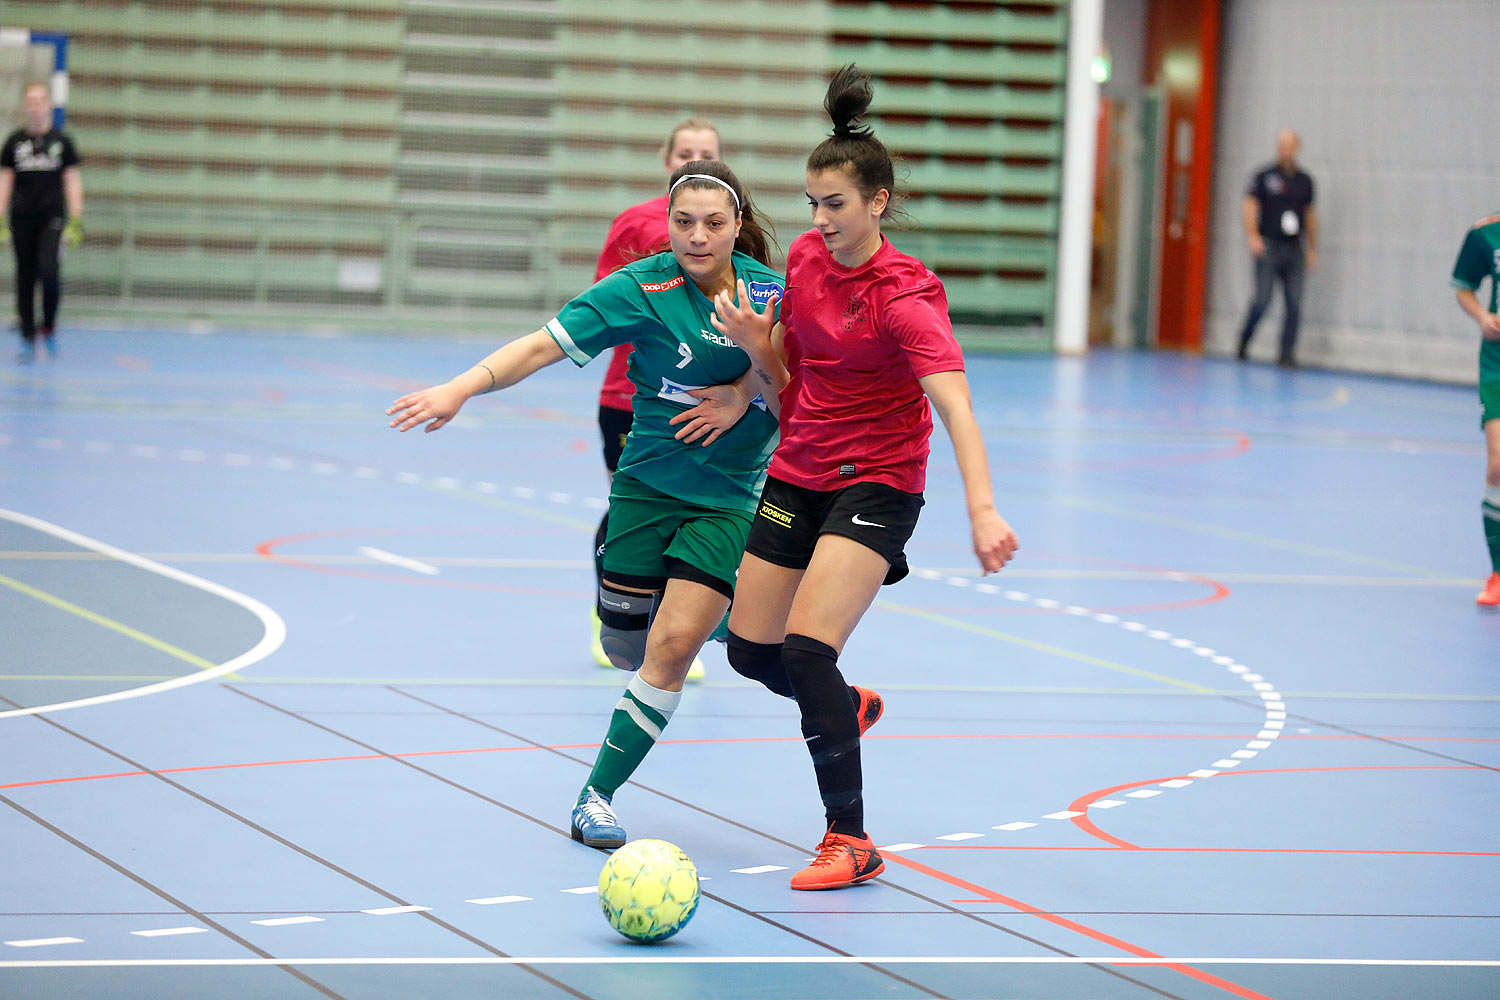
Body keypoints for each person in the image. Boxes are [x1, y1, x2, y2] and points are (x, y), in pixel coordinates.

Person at [387, 159, 785, 849]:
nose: (698, 236)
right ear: (666, 224)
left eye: (713, 223)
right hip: (644, 489)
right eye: (684, 222)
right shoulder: (642, 286)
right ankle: (724, 624)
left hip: (726, 497)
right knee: (624, 643)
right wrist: (461, 387)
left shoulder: (770, 295)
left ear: (738, 226)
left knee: (670, 648)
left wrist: (747, 390)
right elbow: (541, 346)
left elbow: (799, 398)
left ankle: (594, 796)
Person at [710, 65, 1019, 891]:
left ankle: (850, 839)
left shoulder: (905, 296)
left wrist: (982, 511)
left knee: (810, 649)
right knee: (749, 651)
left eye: (836, 204)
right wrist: (753, 346)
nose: (819, 220)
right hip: (800, 465)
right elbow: (784, 377)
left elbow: (955, 408)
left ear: (877, 202)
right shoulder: (807, 262)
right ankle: (844, 709)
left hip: (878, 480)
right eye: (812, 203)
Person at [588, 118, 723, 678]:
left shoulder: (724, 236)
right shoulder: (637, 225)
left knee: (689, 515)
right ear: (666, 160)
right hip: (631, 399)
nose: (693, 161)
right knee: (632, 511)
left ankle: (671, 635)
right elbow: (602, 305)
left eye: (706, 154)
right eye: (684, 153)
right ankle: (609, 618)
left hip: (705, 404)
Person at [1, 81, 83, 361]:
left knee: (48, 272)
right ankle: (27, 335)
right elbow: (5, 181)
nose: (35, 105)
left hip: (53, 219)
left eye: (40, 100)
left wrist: (76, 218)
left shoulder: (62, 142)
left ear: (48, 104)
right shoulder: (14, 143)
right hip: (22, 219)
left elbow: (72, 180)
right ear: (26, 106)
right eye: (30, 100)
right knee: (24, 276)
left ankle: (48, 327)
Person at [1449, 211, 1500, 606]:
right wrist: (1483, 316)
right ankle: (1498, 571)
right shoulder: (1486, 233)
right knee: (1498, 463)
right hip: (1497, 363)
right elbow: (1464, 286)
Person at [1236, 128, 1316, 367]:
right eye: (1281, 145)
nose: (1285, 150)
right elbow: (1250, 205)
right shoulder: (1264, 176)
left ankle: (1286, 353)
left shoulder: (1305, 181)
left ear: (1297, 148)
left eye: (1289, 145)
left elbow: (1310, 215)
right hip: (1269, 245)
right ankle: (1244, 340)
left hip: (1294, 248)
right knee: (1262, 299)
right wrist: (1253, 235)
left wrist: (1311, 247)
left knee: (1294, 303)